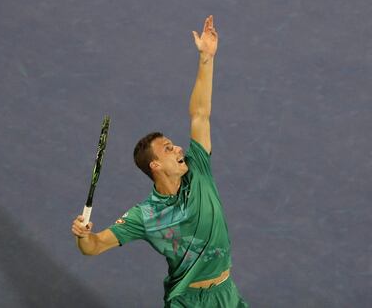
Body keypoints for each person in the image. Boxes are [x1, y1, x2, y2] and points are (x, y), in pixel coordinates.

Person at [71, 15, 248, 307]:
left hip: (226, 295)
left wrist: (206, 58)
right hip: (188, 302)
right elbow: (94, 247)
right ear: (154, 166)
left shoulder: (199, 169)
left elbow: (200, 114)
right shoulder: (146, 216)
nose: (179, 148)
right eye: (168, 149)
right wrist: (82, 235)